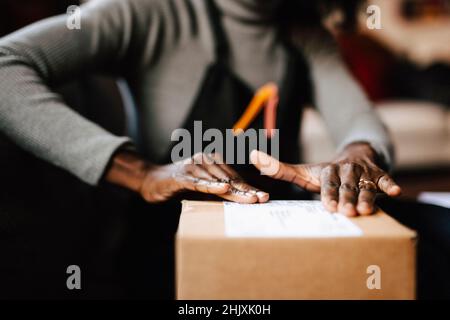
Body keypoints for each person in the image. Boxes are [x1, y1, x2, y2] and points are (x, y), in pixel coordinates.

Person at [0, 0, 402, 298]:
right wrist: (139, 172)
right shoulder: (146, 12)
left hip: (274, 250)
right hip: (165, 259)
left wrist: (358, 155)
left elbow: (360, 122)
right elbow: (6, 65)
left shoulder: (304, 34)